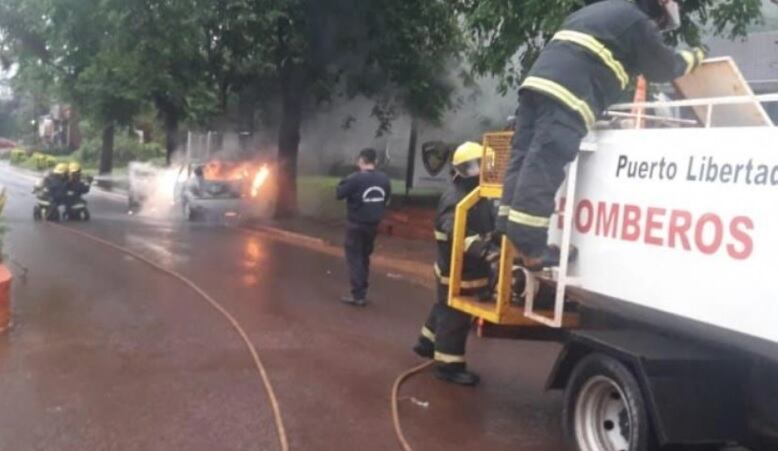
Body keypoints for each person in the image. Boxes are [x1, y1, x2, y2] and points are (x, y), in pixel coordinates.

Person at [497, 0, 705, 270]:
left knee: (523, 156)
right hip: (569, 95)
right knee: (544, 164)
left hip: (536, 86)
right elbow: (662, 68)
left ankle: (505, 224)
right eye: (662, 22)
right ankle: (532, 249)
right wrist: (696, 57)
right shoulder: (637, 22)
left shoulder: (604, 9)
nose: (658, 27)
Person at [413, 142, 499, 386]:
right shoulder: (455, 197)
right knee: (455, 318)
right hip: (456, 271)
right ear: (471, 168)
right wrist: (487, 252)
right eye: (483, 166)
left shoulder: (474, 194)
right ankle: (449, 366)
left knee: (443, 307)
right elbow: (455, 231)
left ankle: (426, 343)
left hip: (463, 269)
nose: (487, 170)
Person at [336, 148, 392, 307]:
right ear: (375, 161)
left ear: (361, 160)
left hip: (356, 224)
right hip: (373, 226)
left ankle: (358, 295)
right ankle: (362, 291)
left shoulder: (354, 179)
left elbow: (339, 194)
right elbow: (385, 198)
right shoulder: (384, 179)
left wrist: (344, 182)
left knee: (355, 258)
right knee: (364, 257)